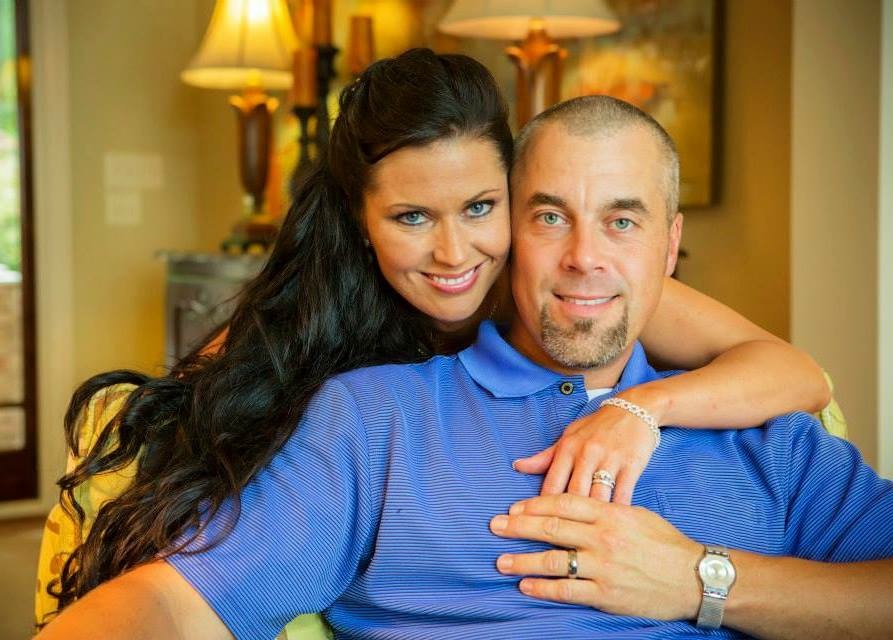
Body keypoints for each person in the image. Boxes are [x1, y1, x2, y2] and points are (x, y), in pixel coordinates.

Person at [37, 96, 891, 639]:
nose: (583, 257)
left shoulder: (766, 438)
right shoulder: (373, 416)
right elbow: (178, 602)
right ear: (514, 231)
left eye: (622, 222)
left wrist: (701, 580)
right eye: (549, 216)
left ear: (668, 247)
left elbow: (801, 378)